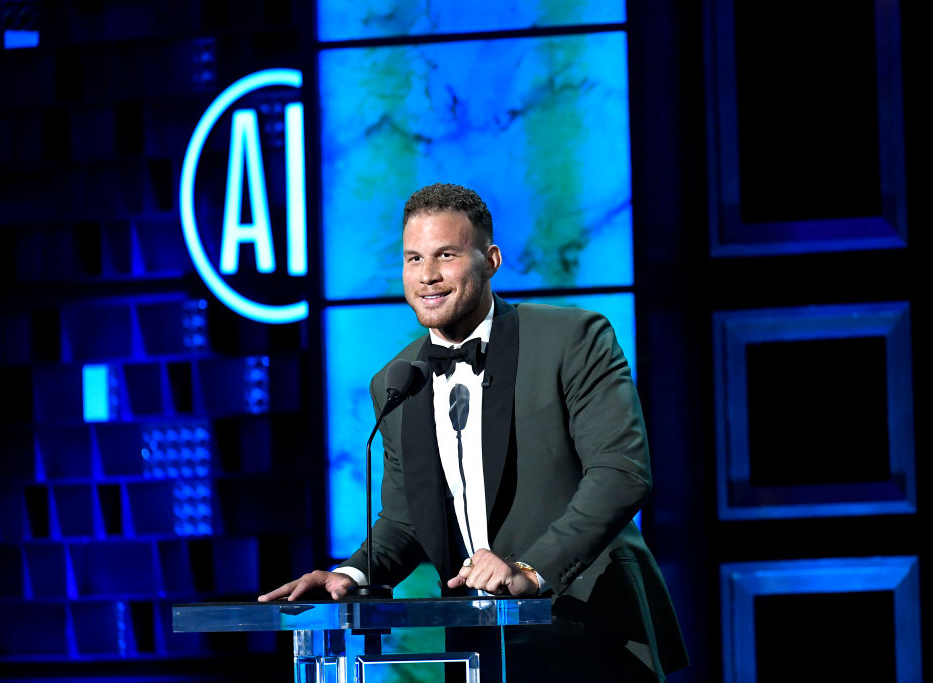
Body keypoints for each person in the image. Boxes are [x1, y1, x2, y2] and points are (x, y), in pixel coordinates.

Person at [260, 183, 689, 681]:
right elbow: (404, 520)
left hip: (588, 625)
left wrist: (530, 570)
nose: (427, 276)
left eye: (446, 255)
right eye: (413, 258)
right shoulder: (397, 381)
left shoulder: (572, 338)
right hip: (477, 646)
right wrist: (349, 575)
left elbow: (620, 474)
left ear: (491, 259)